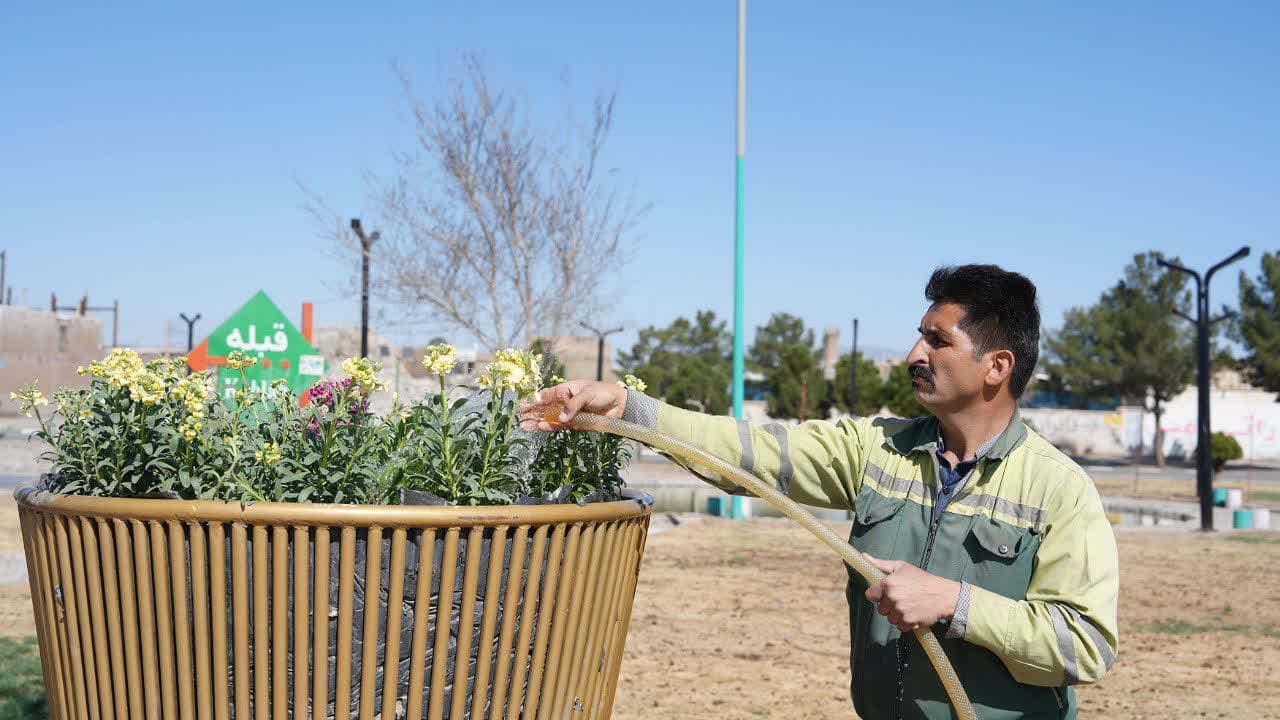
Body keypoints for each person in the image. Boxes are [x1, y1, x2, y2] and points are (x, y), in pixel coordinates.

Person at [520, 264, 1118, 720]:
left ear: (997, 367)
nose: (914, 355)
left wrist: (954, 604)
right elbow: (747, 452)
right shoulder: (876, 450)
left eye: (938, 341)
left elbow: (1085, 645)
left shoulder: (1058, 490)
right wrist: (630, 407)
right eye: (919, 337)